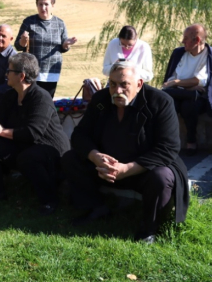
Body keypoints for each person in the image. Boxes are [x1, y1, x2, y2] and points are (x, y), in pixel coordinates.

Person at [62, 61, 189, 243]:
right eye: (113, 84)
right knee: (71, 159)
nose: (117, 90)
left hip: (142, 169)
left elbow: (168, 147)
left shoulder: (160, 102)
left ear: (139, 84)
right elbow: (80, 135)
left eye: (124, 85)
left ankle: (149, 228)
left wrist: (128, 169)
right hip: (104, 168)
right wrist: (96, 157)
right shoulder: (101, 99)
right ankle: (96, 208)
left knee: (162, 177)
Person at [0, 53, 70, 215]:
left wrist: (0, 131)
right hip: (24, 145)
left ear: (21, 76)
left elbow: (32, 133)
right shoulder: (10, 95)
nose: (5, 74)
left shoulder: (41, 98)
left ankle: (50, 201)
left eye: (9, 71)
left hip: (50, 148)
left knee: (28, 157)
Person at [163, 24, 212, 155]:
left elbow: (200, 81)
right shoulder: (178, 53)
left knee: (189, 106)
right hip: (181, 92)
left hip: (198, 97)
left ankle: (191, 141)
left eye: (186, 38)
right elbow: (169, 81)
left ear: (196, 40)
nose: (182, 41)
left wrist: (177, 82)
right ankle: (167, 143)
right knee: (170, 104)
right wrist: (188, 86)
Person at [14, 0, 77, 98]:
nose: (43, 7)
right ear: (37, 5)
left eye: (46, 4)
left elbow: (63, 48)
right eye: (40, 4)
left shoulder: (60, 24)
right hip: (31, 72)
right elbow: (18, 45)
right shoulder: (29, 22)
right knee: (29, 101)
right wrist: (23, 40)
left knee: (46, 102)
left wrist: (66, 44)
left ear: (52, 5)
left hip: (51, 72)